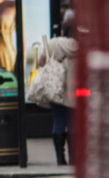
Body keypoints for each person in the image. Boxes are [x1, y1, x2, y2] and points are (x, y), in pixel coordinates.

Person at [33, 37, 77, 165]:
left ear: (63, 31)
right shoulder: (79, 45)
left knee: (59, 120)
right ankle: (73, 158)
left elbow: (41, 62)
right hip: (73, 87)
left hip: (55, 86)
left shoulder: (53, 43)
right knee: (72, 122)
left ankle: (60, 158)